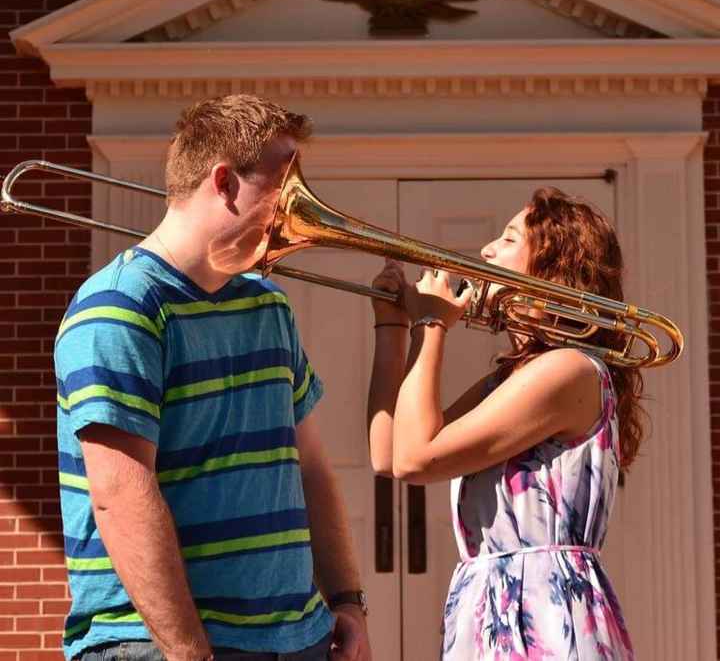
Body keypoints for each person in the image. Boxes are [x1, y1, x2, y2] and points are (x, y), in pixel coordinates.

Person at [54, 95, 371, 661]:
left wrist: (346, 600)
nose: (300, 211)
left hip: (296, 638)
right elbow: (120, 495)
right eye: (286, 187)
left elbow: (312, 470)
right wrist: (189, 652)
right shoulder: (118, 307)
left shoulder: (269, 306)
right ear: (224, 182)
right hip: (157, 645)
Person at [367, 187, 639, 659]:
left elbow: (416, 459)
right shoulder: (508, 379)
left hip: (544, 609)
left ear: (551, 268)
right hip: (492, 604)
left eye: (509, 239)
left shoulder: (568, 369)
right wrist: (392, 327)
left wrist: (431, 325)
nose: (486, 250)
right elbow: (390, 454)